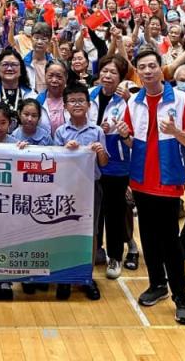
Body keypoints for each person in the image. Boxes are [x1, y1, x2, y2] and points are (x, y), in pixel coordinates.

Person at [126, 49, 185, 325]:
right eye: (142, 67)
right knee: (147, 236)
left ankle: (181, 296)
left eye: (152, 66)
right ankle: (157, 283)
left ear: (161, 69)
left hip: (168, 179)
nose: (147, 71)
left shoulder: (180, 99)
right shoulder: (134, 101)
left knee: (170, 240)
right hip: (140, 179)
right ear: (137, 72)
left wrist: (176, 132)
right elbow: (133, 140)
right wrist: (123, 135)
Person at [54, 84, 109, 301]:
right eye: (72, 101)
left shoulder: (97, 131)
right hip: (66, 188)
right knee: (64, 231)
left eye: (81, 100)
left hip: (91, 187)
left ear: (88, 105)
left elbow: (103, 163)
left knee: (90, 233)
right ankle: (65, 276)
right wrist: (65, 151)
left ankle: (87, 276)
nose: (77, 104)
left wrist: (100, 151)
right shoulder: (61, 132)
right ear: (65, 106)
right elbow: (55, 163)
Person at [91, 57, 136, 276]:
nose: (107, 76)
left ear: (121, 78)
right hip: (90, 163)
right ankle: (96, 250)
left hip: (117, 165)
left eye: (113, 73)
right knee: (94, 212)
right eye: (104, 71)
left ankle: (115, 257)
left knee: (115, 213)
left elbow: (133, 136)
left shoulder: (128, 101)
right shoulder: (89, 95)